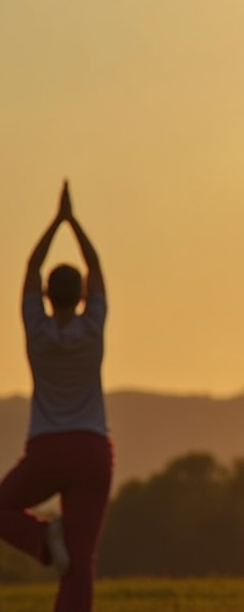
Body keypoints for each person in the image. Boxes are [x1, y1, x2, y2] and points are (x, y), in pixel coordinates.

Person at [0, 181, 112, 612]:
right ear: (83, 295)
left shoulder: (38, 330)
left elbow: (30, 266)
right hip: (92, 450)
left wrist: (54, 222)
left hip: (47, 447)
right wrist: (74, 222)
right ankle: (57, 545)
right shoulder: (93, 327)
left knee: (4, 508)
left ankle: (45, 538)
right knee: (82, 559)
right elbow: (96, 265)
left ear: (45, 296)